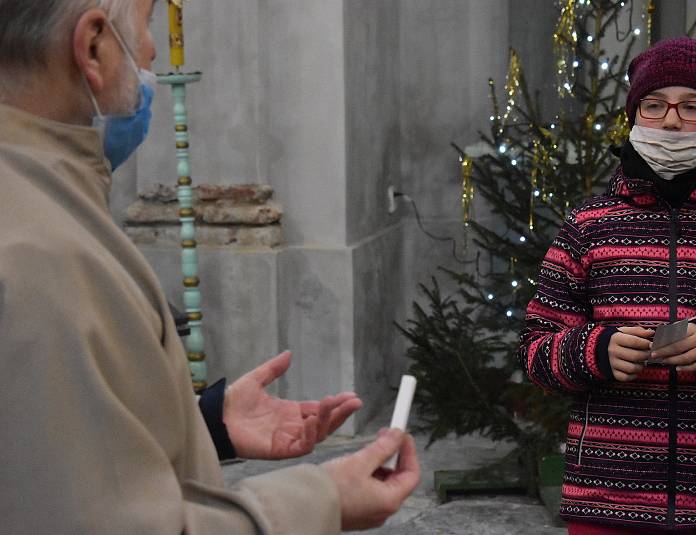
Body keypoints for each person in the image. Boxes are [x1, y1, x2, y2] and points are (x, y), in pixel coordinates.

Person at [0, 1, 419, 533]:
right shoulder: (42, 257)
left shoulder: (36, 204)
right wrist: (322, 497)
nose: (152, 50)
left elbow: (50, 454)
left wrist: (200, 424)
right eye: (146, 25)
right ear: (93, 47)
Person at [518, 37, 696, 534]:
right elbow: (535, 353)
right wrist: (596, 350)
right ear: (635, 117)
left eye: (692, 107)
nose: (670, 121)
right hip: (608, 501)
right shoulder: (589, 225)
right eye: (654, 105)